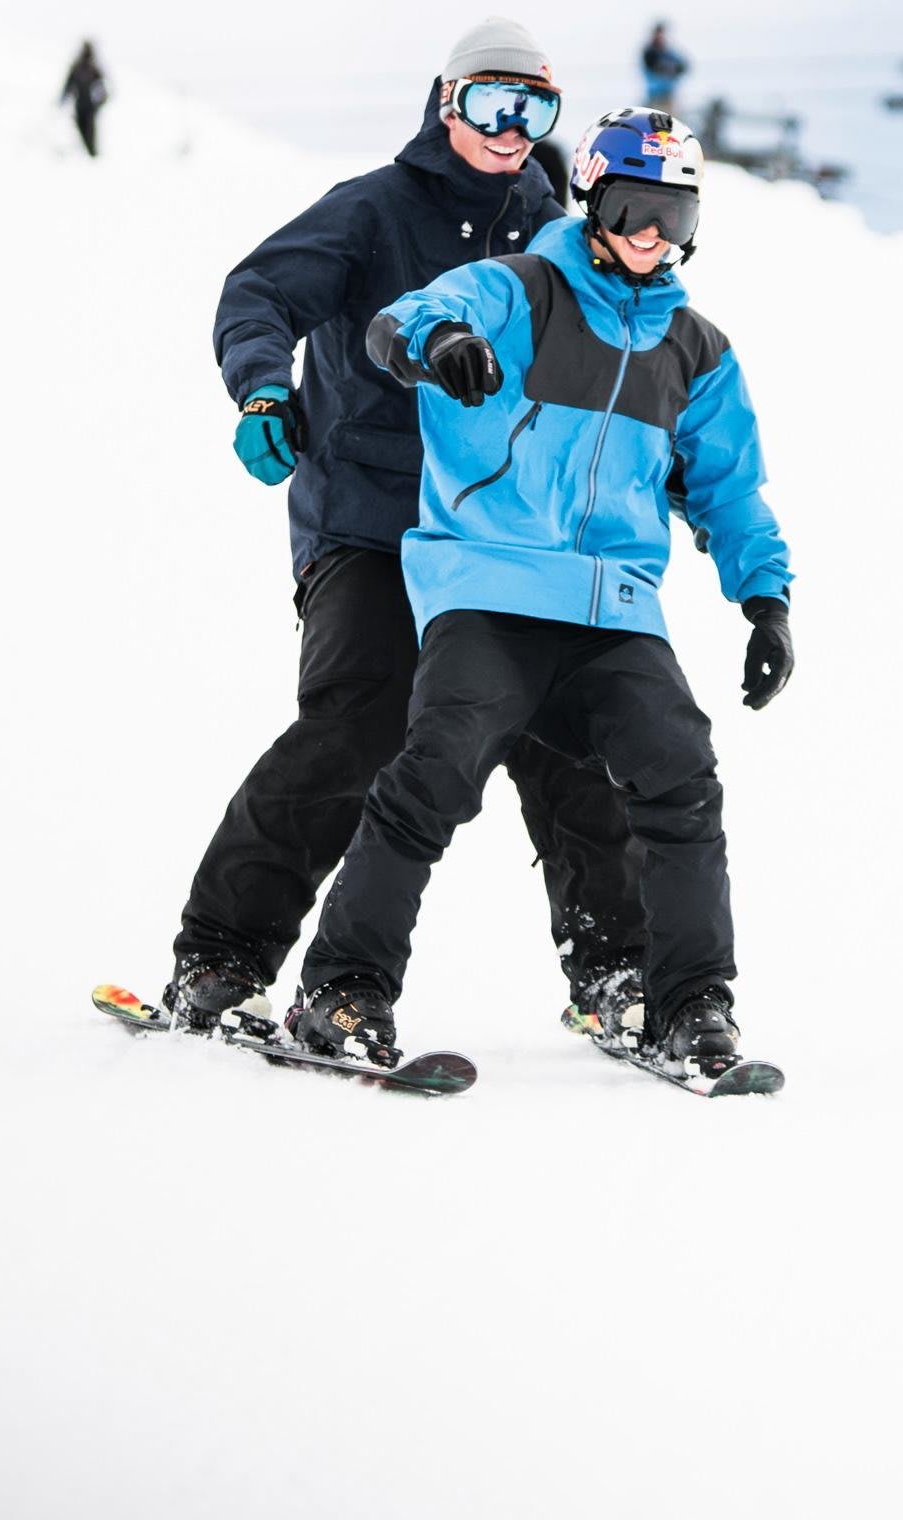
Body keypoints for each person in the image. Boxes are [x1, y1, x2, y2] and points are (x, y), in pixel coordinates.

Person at [163, 18, 653, 1034]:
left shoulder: (558, 233)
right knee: (363, 720)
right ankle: (221, 957)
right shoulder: (371, 210)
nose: (511, 130)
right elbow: (258, 293)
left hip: (508, 539)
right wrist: (262, 388)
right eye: (491, 103)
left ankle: (616, 974)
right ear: (446, 103)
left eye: (535, 109)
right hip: (371, 521)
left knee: (571, 737)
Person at [287, 106, 795, 1078]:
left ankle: (689, 1003)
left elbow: (729, 488)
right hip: (491, 583)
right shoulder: (517, 290)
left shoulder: (695, 349)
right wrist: (441, 344)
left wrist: (765, 600)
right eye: (635, 208)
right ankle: (342, 988)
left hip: (613, 609)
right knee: (436, 773)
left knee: (681, 774)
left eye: (676, 216)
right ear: (592, 201)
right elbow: (403, 320)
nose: (653, 234)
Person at [60, 41, 107, 158]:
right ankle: (89, 156)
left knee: (88, 136)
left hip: (88, 108)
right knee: (84, 135)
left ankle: (92, 157)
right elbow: (68, 85)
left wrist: (100, 102)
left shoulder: (92, 69)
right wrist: (63, 99)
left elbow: (102, 89)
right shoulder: (83, 68)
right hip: (83, 107)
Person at [639, 21, 688, 109]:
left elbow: (683, 67)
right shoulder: (649, 52)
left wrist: (672, 69)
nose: (660, 36)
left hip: (668, 94)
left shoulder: (670, 53)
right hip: (654, 95)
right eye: (658, 34)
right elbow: (655, 66)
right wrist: (670, 68)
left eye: (661, 34)